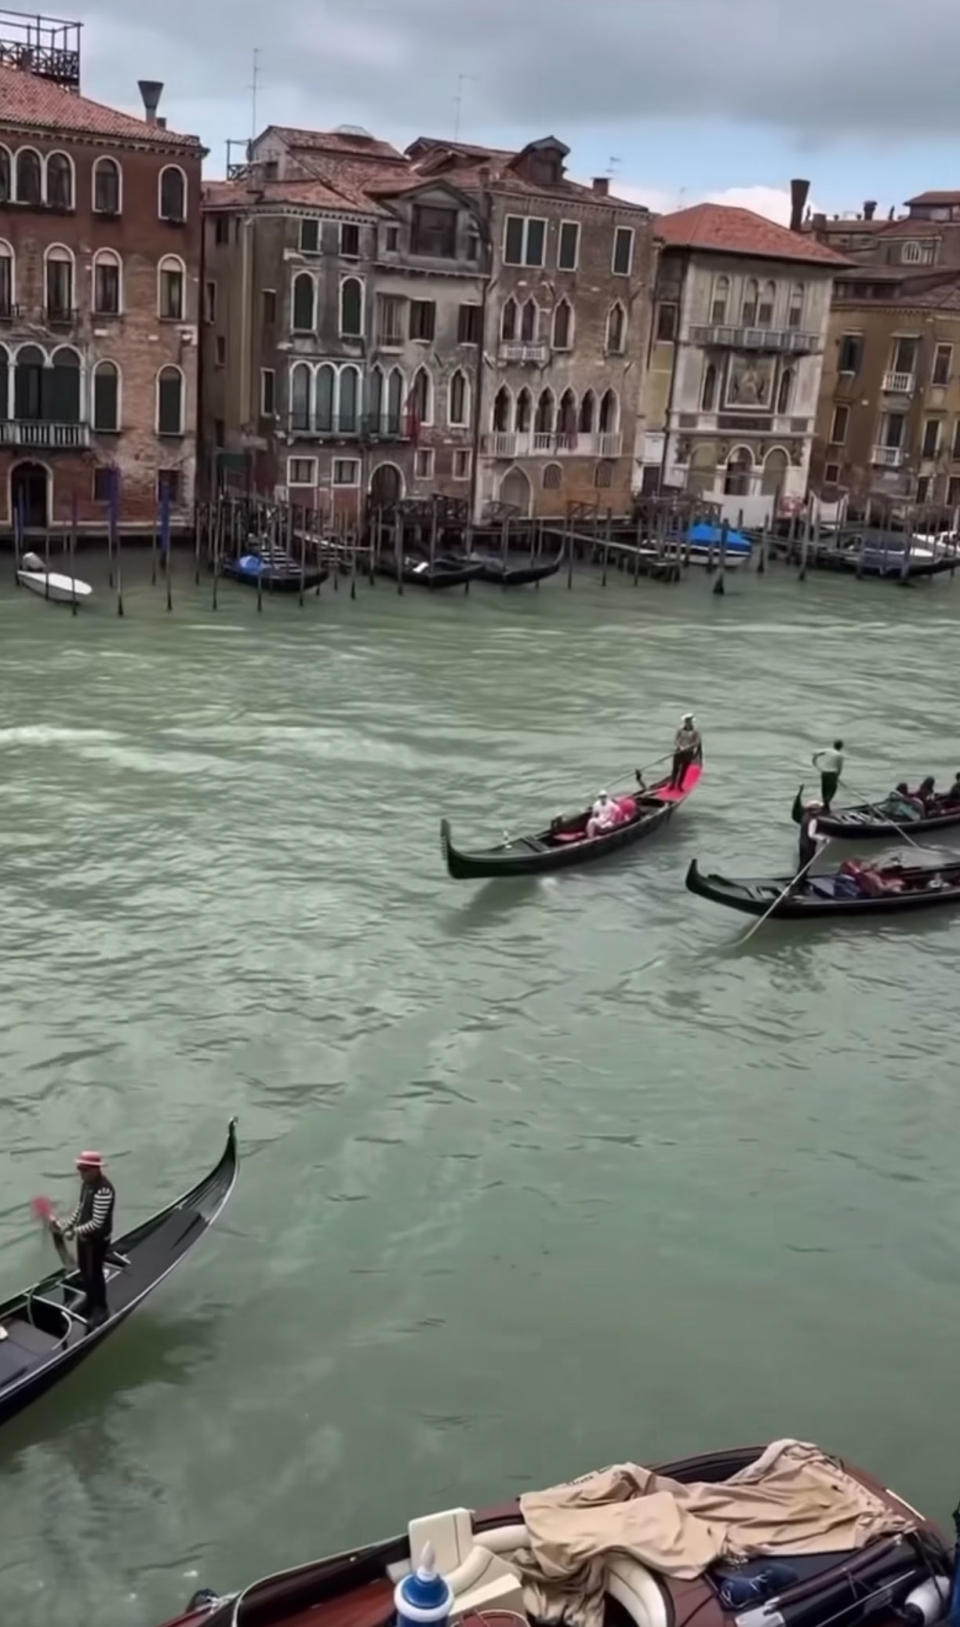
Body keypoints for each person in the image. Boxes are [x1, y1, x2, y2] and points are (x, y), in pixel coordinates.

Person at [53, 1151, 116, 1327]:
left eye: (84, 1169)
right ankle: (90, 1300)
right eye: (79, 1168)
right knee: (85, 1272)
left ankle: (101, 1310)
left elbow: (97, 1222)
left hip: (97, 1241)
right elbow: (80, 1210)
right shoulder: (86, 1185)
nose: (80, 1172)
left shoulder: (104, 1189)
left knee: (95, 1274)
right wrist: (66, 1225)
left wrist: (74, 1232)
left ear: (96, 1170)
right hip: (84, 1238)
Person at [670, 714, 702, 790]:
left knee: (684, 769)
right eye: (687, 721)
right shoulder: (680, 729)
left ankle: (679, 785)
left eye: (689, 721)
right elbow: (676, 740)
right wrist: (680, 746)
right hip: (679, 751)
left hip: (688, 752)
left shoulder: (695, 731)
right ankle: (672, 784)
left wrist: (688, 747)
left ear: (691, 722)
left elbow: (696, 742)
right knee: (675, 769)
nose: (688, 722)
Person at [812, 739, 844, 810]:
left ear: (834, 745)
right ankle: (826, 803)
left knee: (825, 789)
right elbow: (839, 768)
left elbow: (815, 753)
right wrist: (837, 776)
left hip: (824, 773)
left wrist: (815, 762)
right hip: (832, 774)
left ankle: (825, 805)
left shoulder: (827, 751)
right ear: (841, 747)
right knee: (833, 789)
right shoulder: (840, 756)